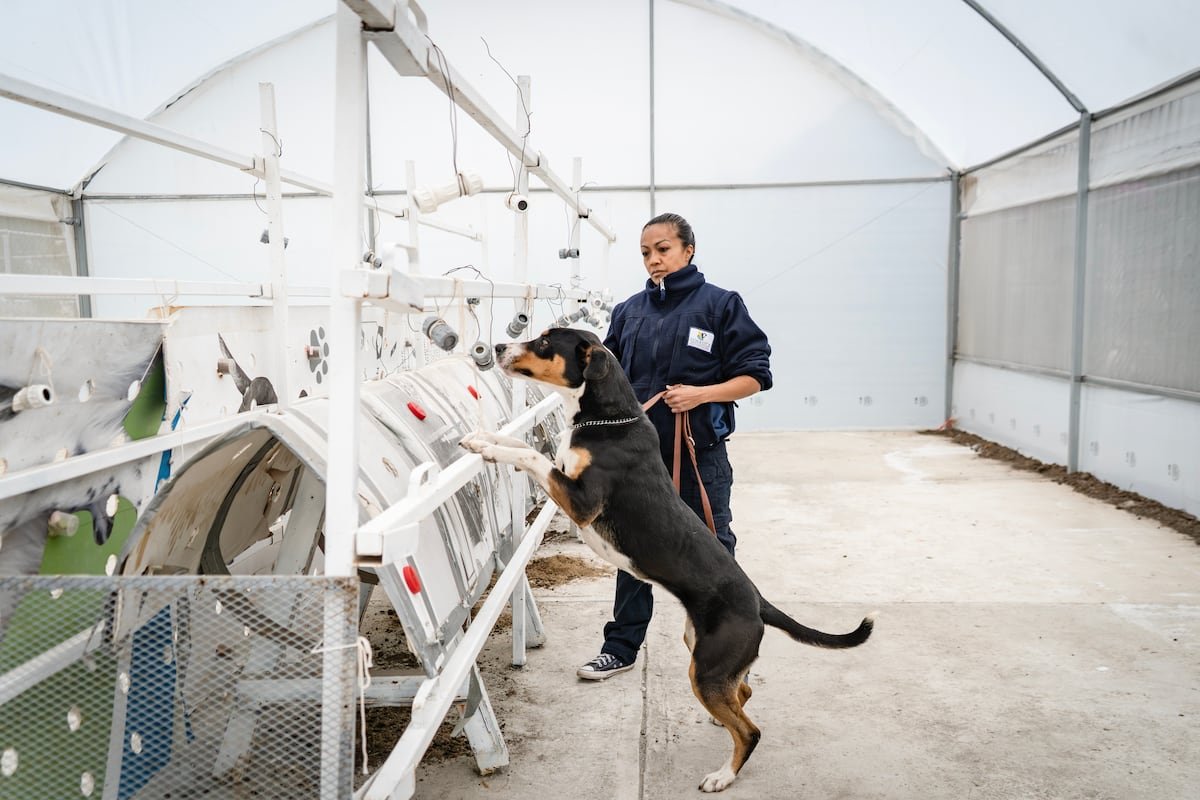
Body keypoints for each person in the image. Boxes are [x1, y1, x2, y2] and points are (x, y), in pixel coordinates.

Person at [577, 212, 773, 680]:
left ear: (688, 249)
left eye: (662, 249)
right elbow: (604, 378)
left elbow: (756, 376)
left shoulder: (721, 305)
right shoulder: (629, 312)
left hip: (699, 453)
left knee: (715, 549)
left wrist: (702, 393)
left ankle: (726, 655)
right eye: (646, 252)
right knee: (631, 550)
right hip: (636, 461)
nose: (653, 260)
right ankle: (621, 647)